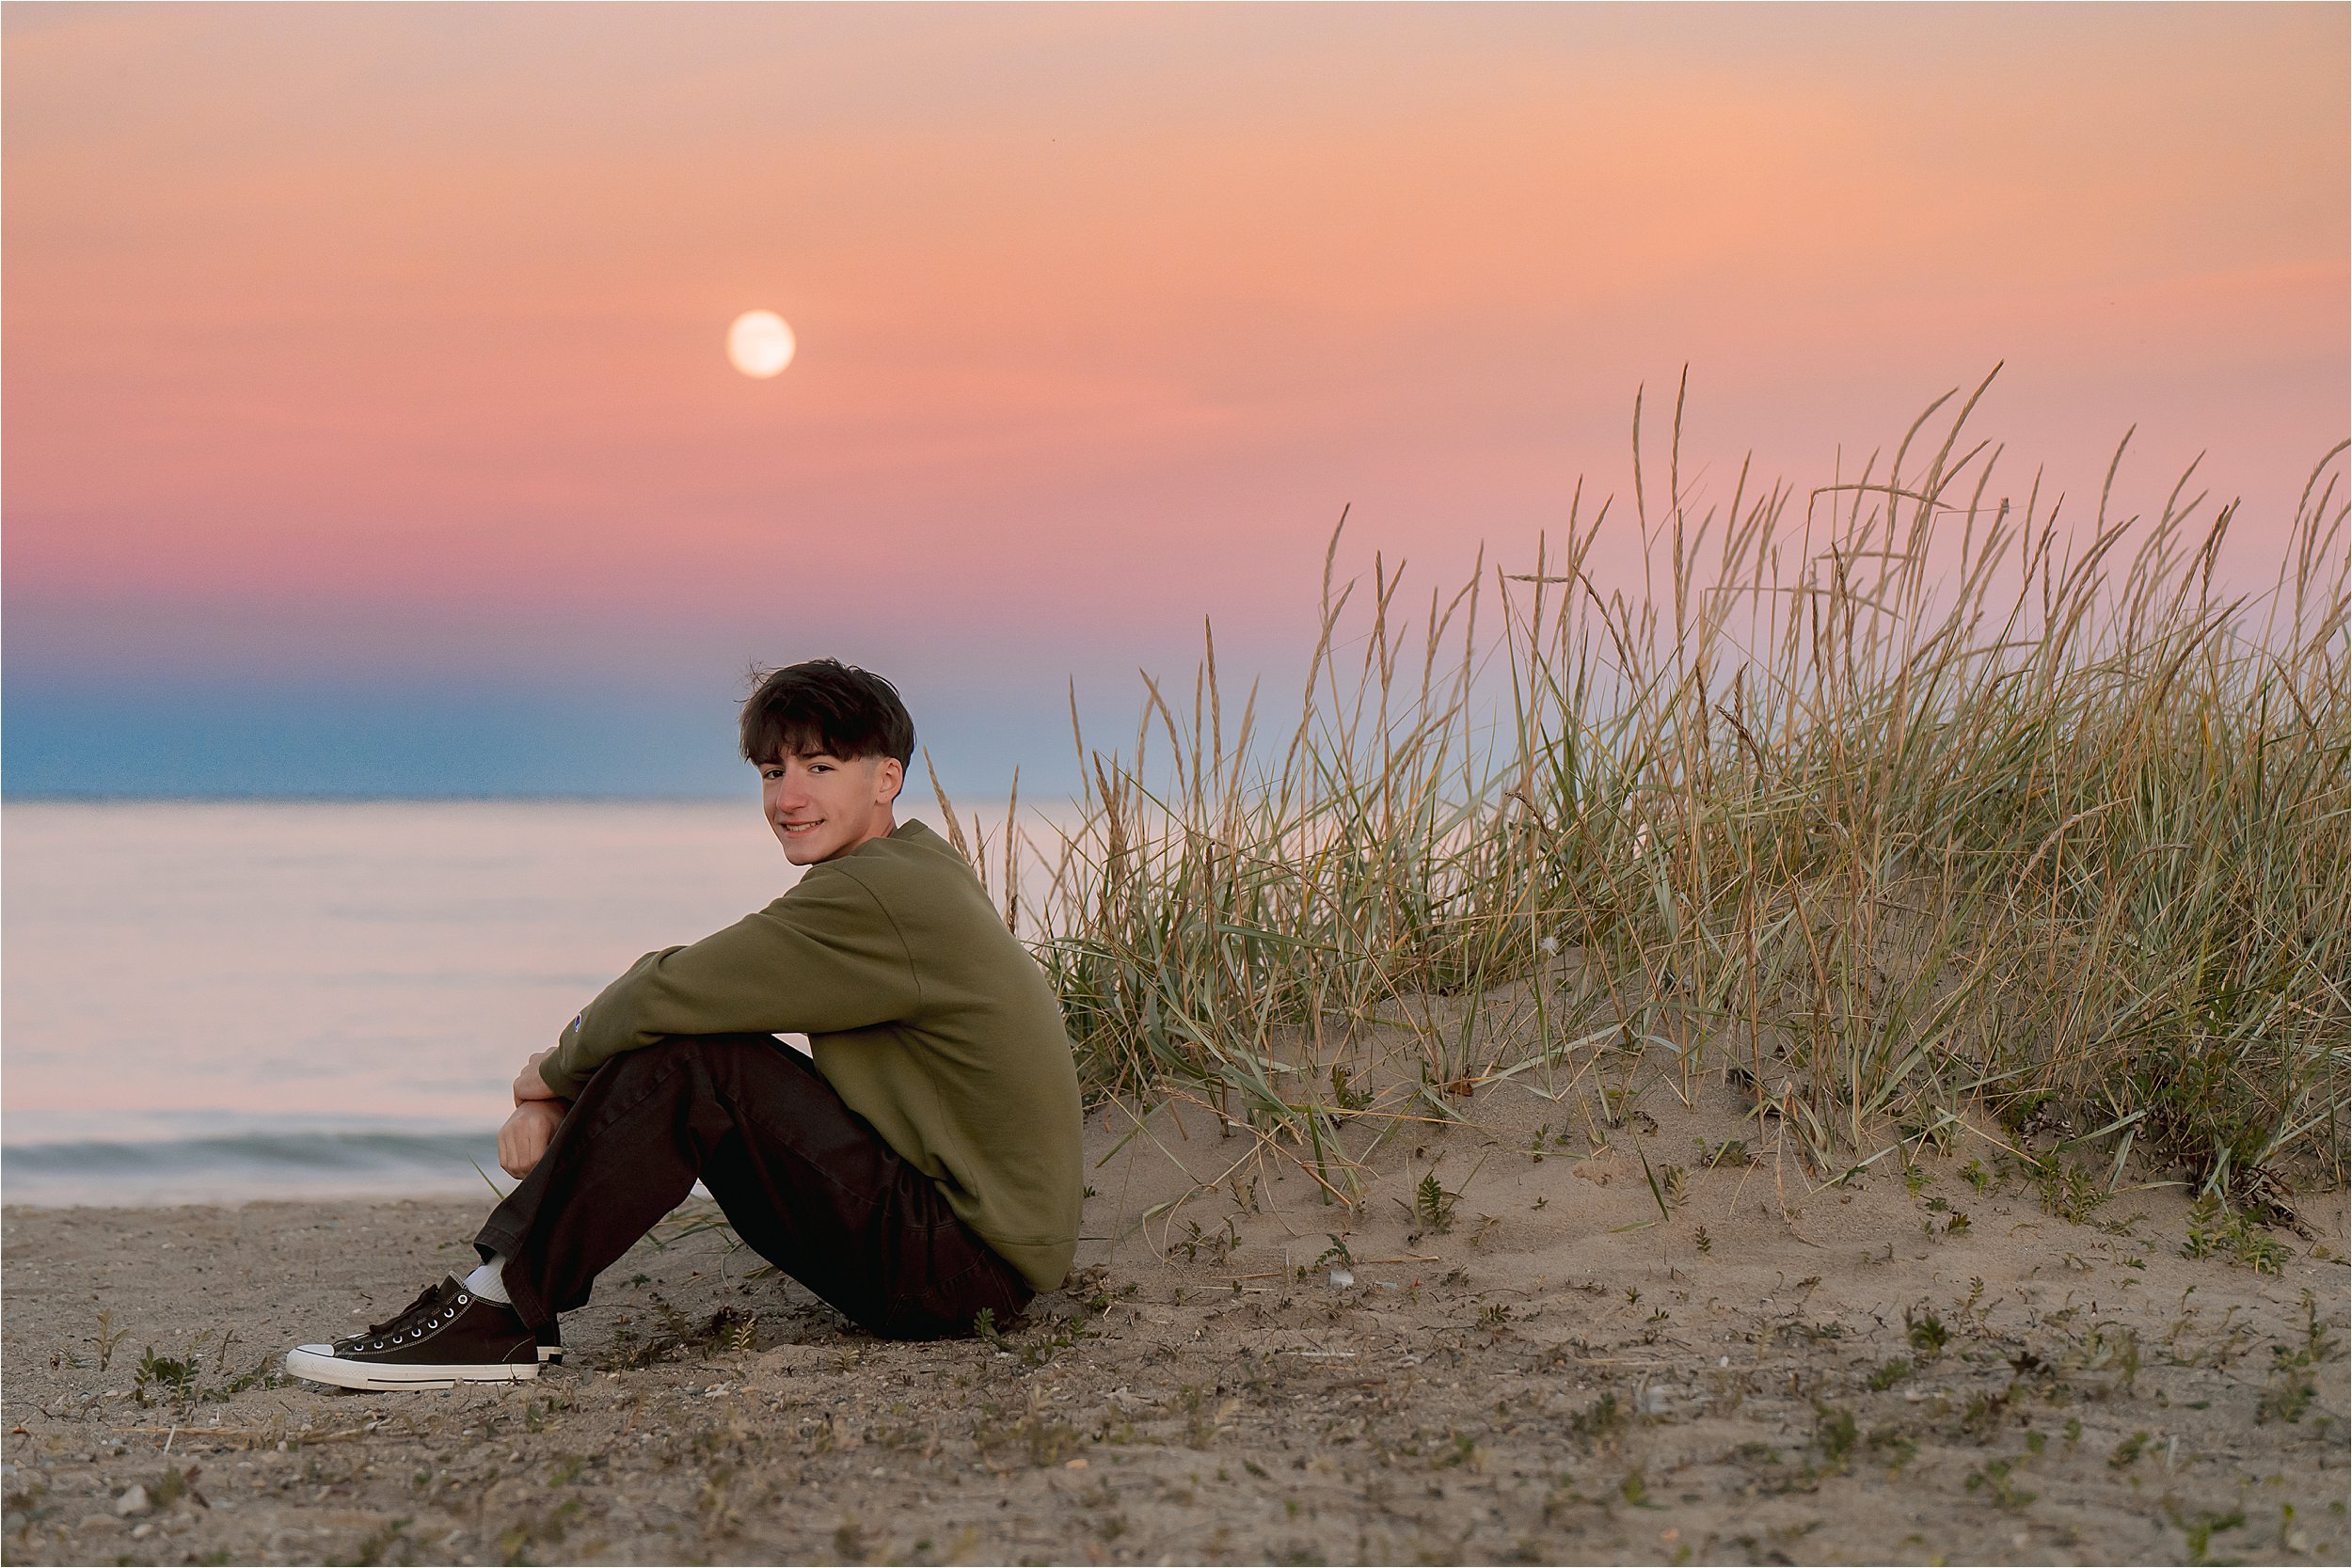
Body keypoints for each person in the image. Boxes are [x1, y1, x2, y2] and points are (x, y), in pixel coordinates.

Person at [285, 659, 1084, 1390]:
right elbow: (681, 991)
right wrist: (567, 1090)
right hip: (963, 1249)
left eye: (820, 767)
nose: (788, 797)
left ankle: (498, 1311)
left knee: (699, 1061)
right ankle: (504, 1304)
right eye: (774, 771)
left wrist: (546, 1080)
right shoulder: (909, 869)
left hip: (958, 1272)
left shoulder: (879, 897)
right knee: (700, 1047)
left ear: (887, 778)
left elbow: (666, 990)